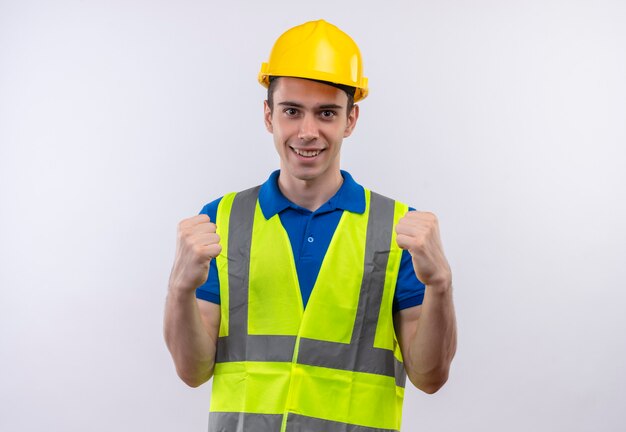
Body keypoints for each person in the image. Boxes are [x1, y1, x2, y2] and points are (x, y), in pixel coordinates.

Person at [164, 19, 457, 432]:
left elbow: (430, 377)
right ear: (269, 115)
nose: (307, 132)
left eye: (326, 113)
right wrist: (179, 289)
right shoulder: (221, 222)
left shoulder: (399, 231)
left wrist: (441, 284)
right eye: (291, 111)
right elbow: (192, 371)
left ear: (350, 120)